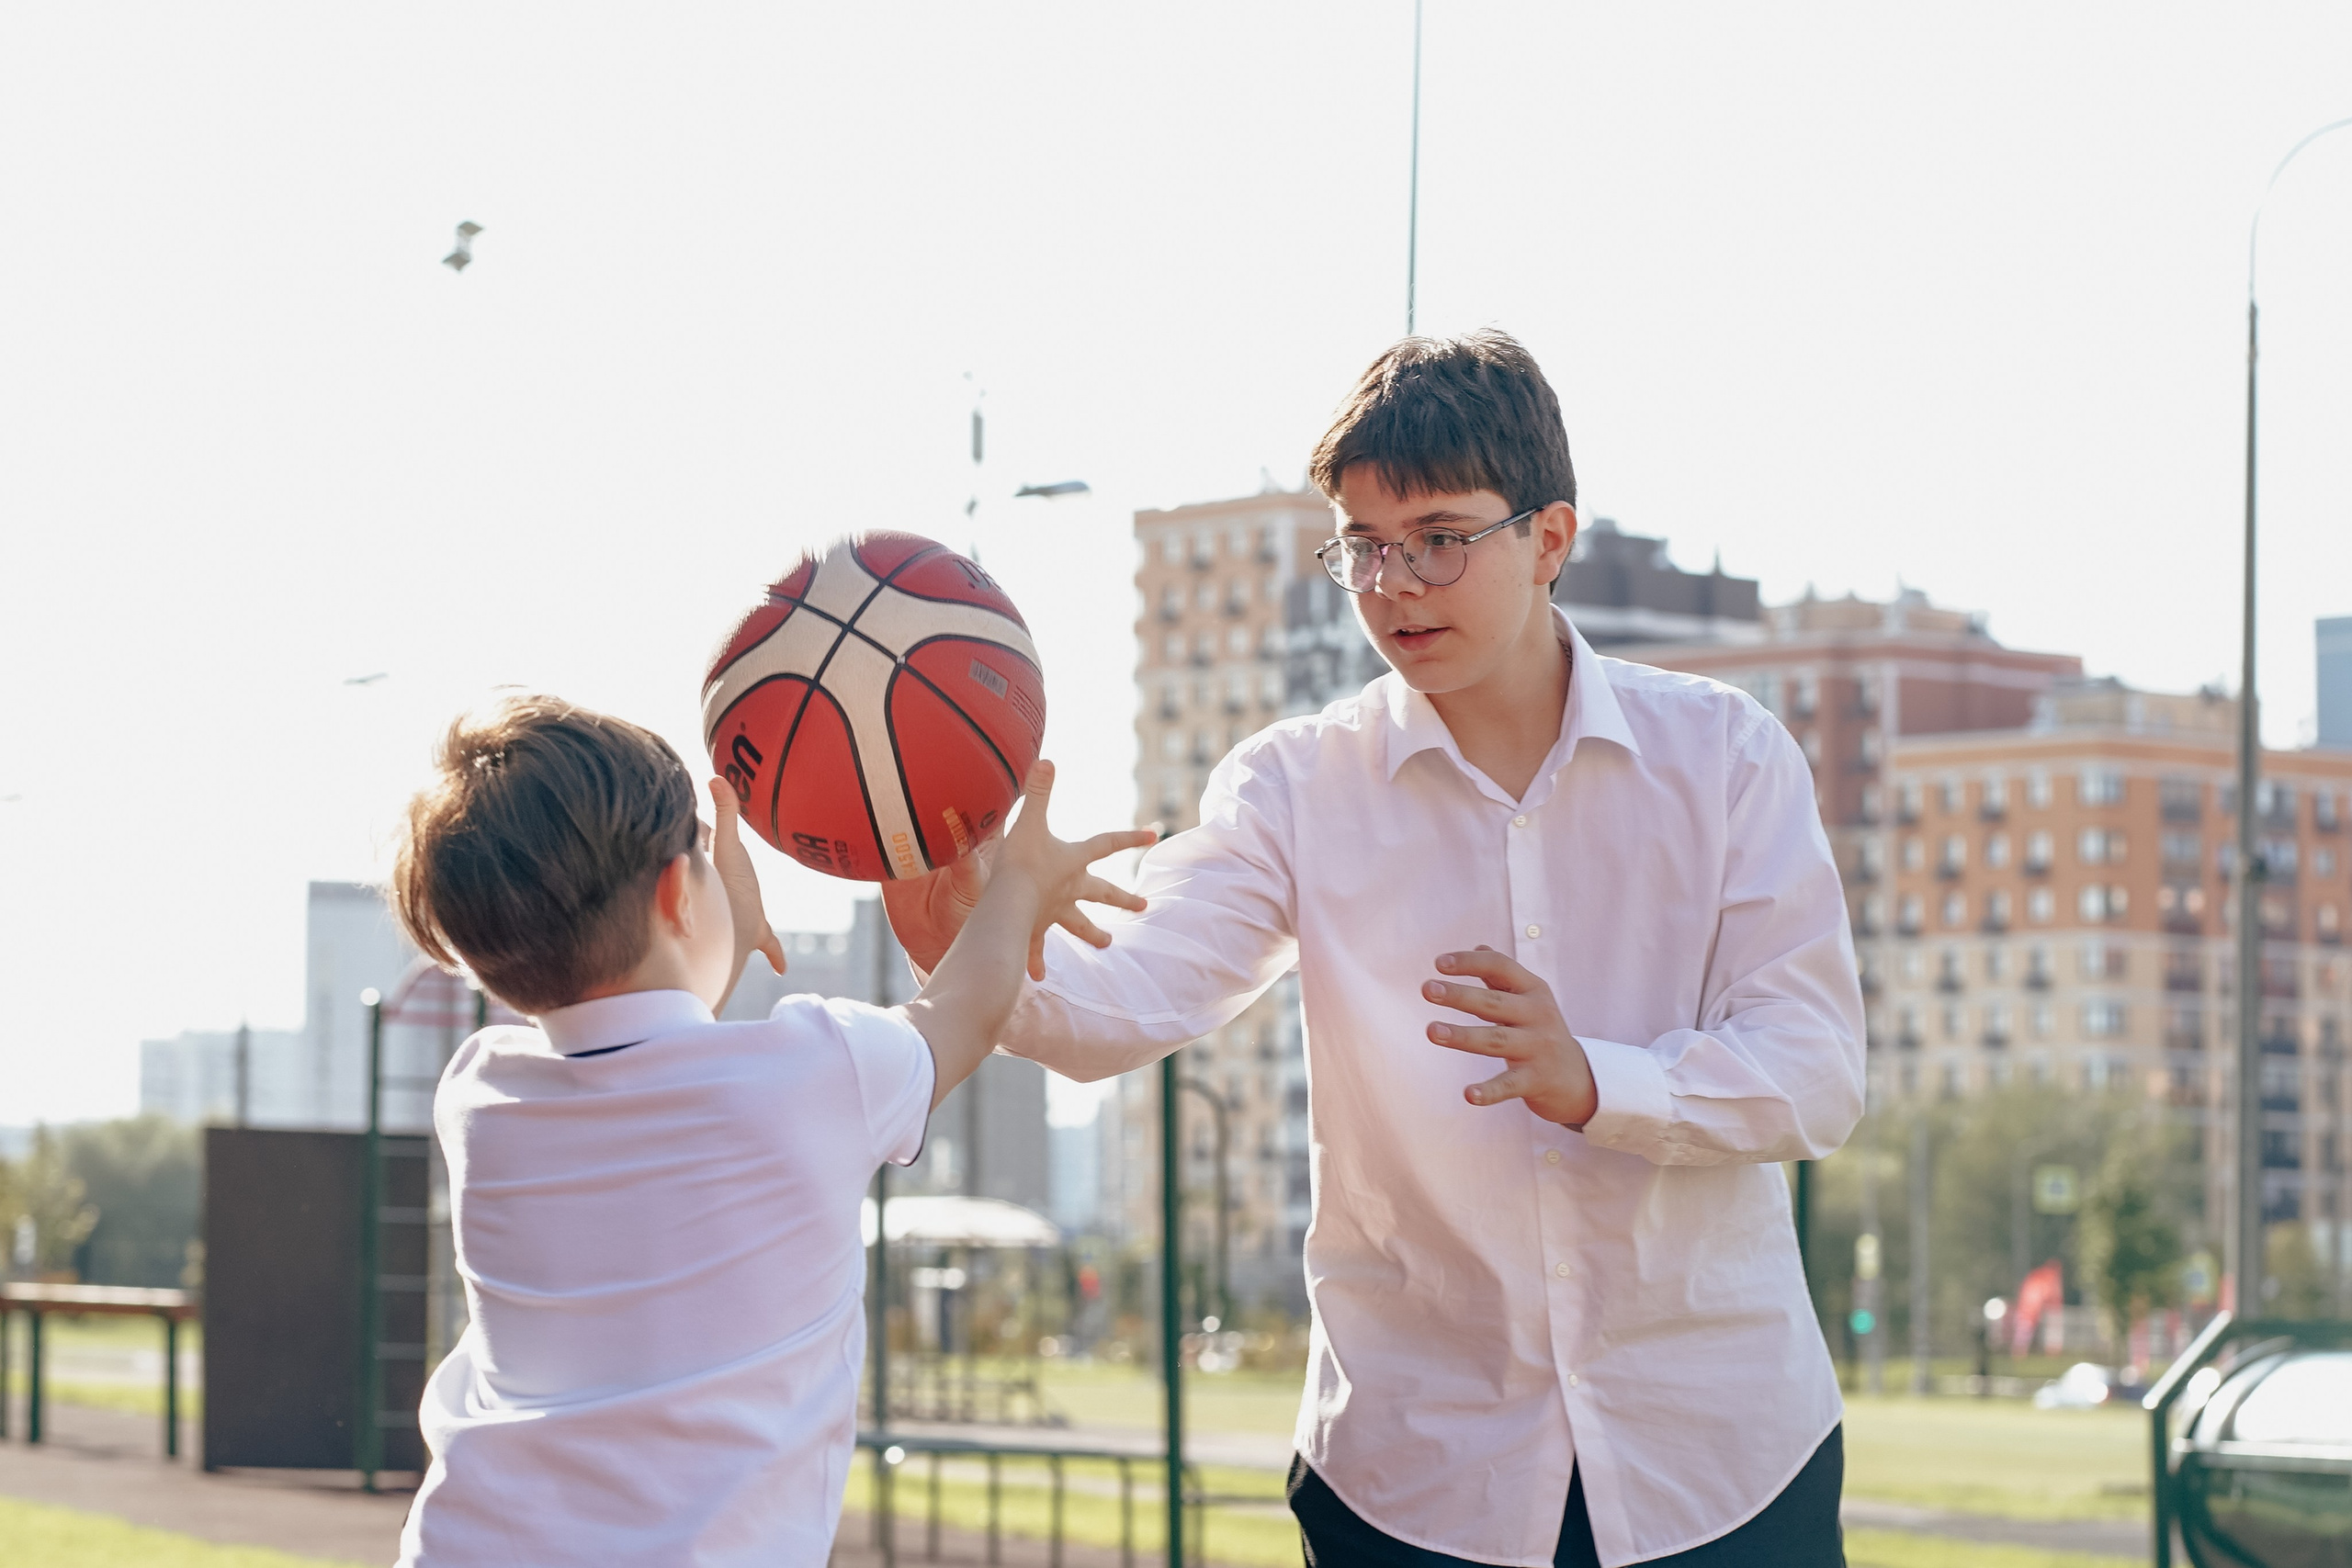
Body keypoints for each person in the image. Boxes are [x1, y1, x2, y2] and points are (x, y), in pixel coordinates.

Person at [884, 331, 1865, 1567]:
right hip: (1416, 1480)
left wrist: (1599, 1079)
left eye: (1440, 537)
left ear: (1550, 538)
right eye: (1364, 544)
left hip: (1721, 1462)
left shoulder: (1725, 756)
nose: (1395, 582)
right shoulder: (1296, 785)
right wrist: (987, 956)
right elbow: (1124, 999)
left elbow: (1816, 1066)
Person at [386, 695, 1149, 1567]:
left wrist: (701, 934)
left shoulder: (481, 1096)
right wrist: (1020, 881)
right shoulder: (818, 1073)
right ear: (678, 892)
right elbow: (966, 1011)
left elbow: (643, 1059)